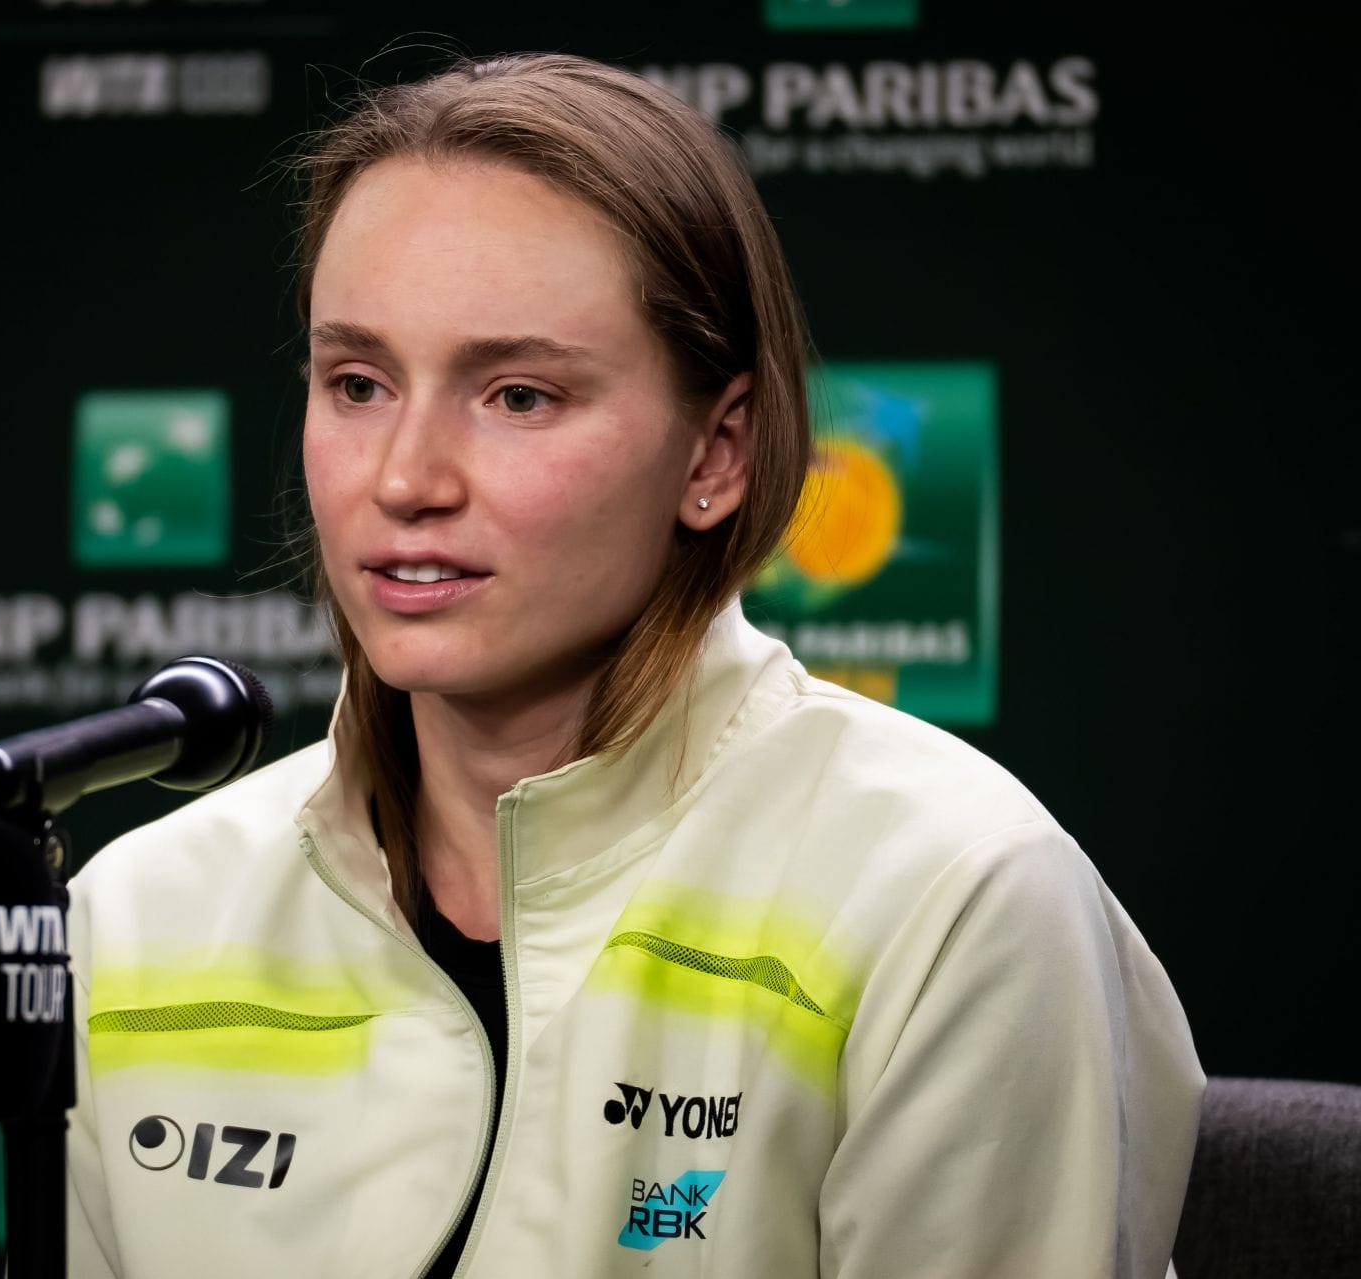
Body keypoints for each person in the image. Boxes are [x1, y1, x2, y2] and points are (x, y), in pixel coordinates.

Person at [63, 53, 1204, 1278]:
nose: (404, 479)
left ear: (717, 452)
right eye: (358, 382)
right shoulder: (131, 922)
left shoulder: (952, 897)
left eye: (517, 395)